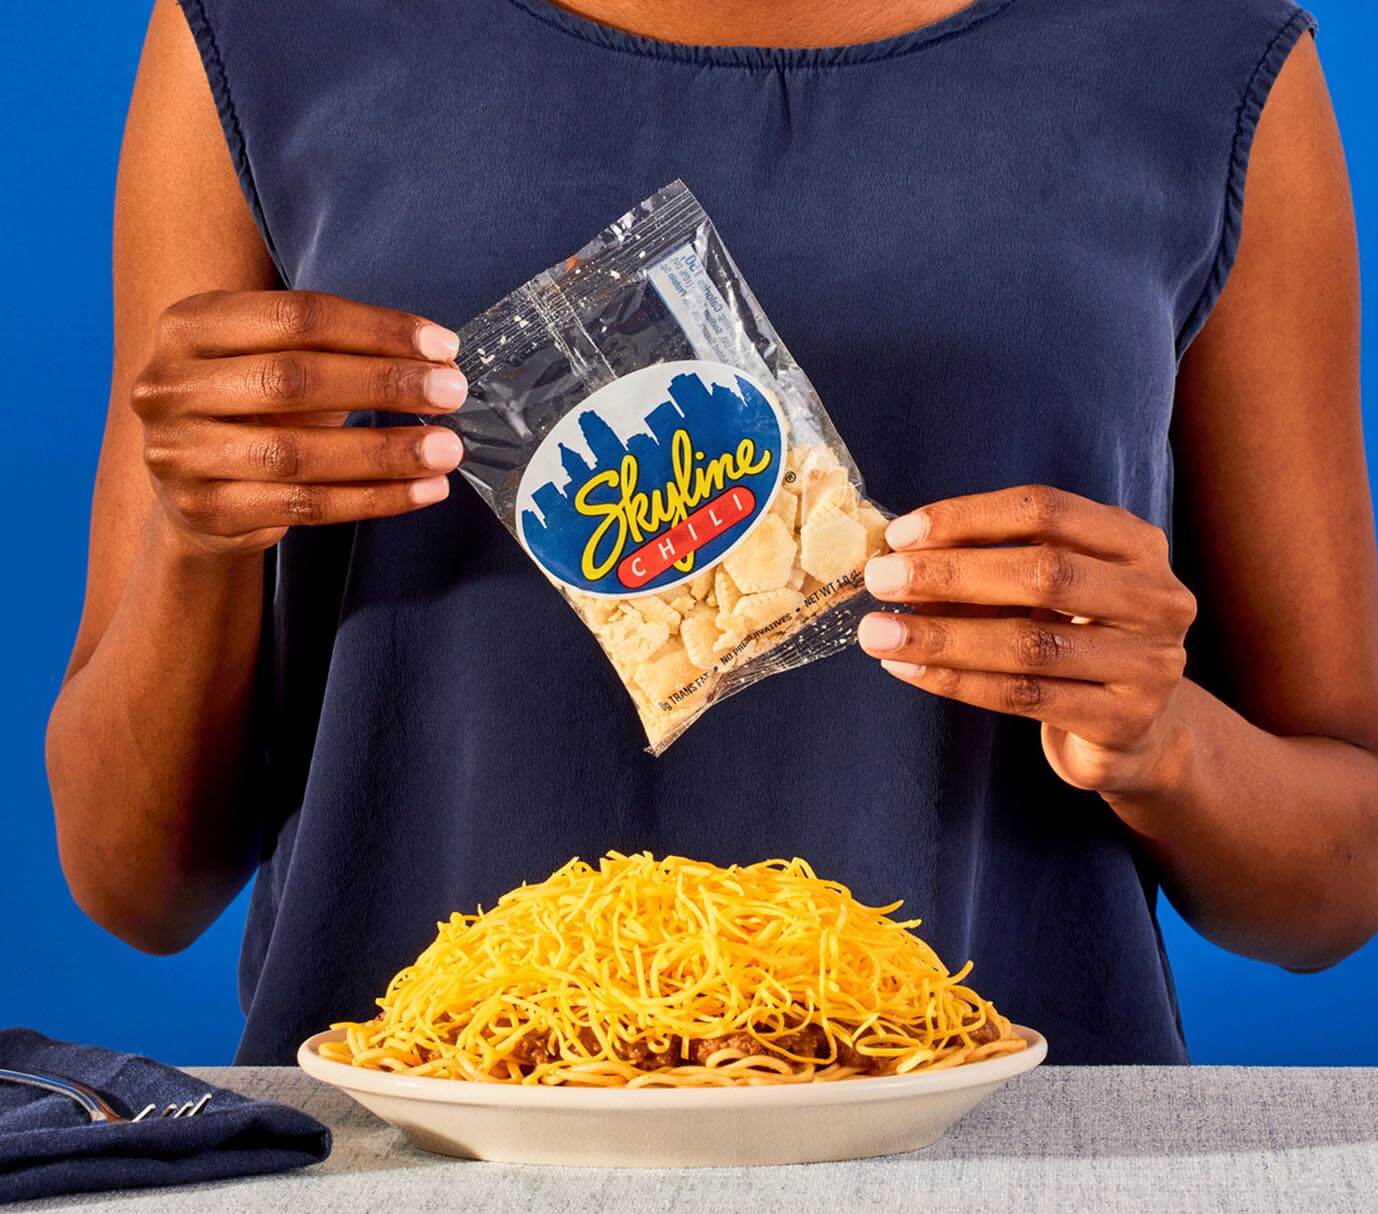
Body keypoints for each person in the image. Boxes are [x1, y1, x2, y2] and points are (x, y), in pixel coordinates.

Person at [46, 0, 1378, 1065]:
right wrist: (196, 535)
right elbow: (130, 877)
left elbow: (1338, 884)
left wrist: (1162, 741)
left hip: (995, 1146)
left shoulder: (1201, 53)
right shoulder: (268, 30)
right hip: (414, 1144)